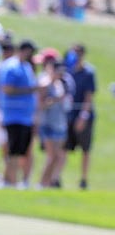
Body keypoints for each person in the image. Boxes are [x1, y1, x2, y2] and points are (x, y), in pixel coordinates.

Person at [0, 40, 39, 188]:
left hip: (26, 117)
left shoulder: (27, 66)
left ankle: (18, 181)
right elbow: (7, 89)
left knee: (23, 151)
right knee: (13, 151)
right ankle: (10, 181)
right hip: (13, 116)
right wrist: (30, 90)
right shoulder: (11, 66)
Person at [63, 44, 96, 189]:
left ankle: (83, 179)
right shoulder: (67, 70)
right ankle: (57, 177)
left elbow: (89, 97)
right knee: (63, 148)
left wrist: (83, 116)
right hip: (69, 115)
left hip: (83, 115)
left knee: (85, 149)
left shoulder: (88, 72)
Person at [36, 50, 69, 189]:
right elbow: (40, 104)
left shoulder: (60, 84)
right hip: (47, 123)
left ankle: (49, 183)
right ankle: (42, 183)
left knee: (58, 157)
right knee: (52, 156)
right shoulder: (45, 83)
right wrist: (55, 100)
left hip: (59, 123)